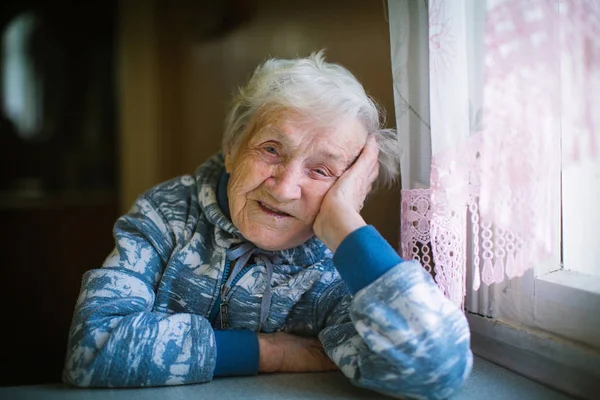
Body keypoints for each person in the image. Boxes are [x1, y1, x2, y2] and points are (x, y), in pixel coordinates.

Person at [63, 51, 472, 399]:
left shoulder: (335, 265)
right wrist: (270, 352)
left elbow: (438, 367)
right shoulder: (167, 214)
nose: (285, 187)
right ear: (231, 148)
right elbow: (91, 350)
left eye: (322, 171)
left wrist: (347, 225)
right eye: (272, 149)